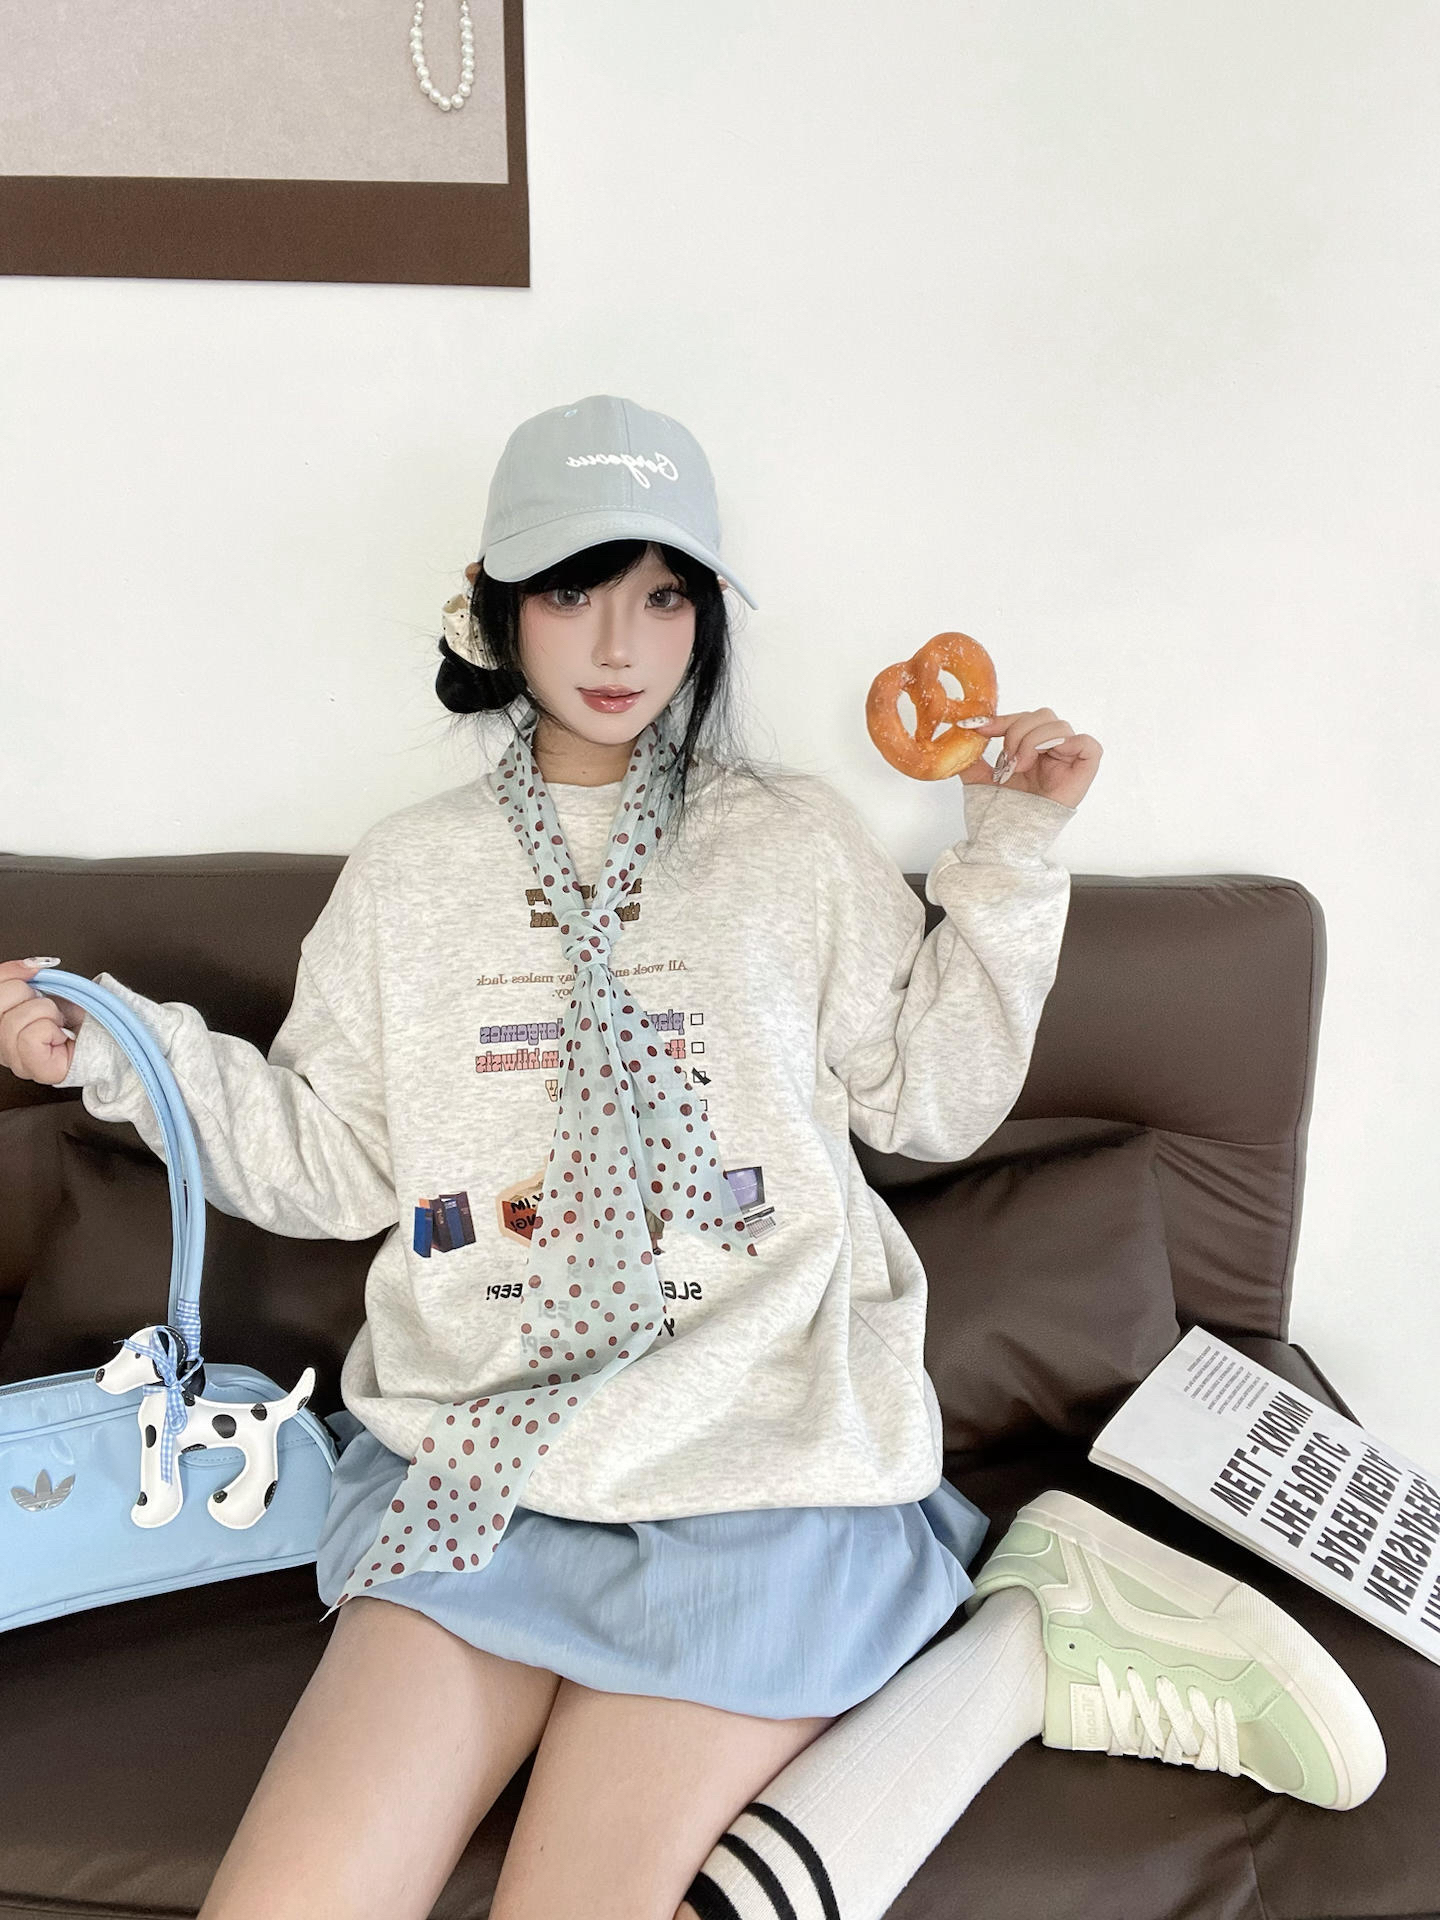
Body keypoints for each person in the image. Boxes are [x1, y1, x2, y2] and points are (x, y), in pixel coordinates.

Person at [0, 393, 1384, 1920]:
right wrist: (122, 1054)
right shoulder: (411, 876)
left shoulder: (790, 844)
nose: (620, 645)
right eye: (573, 590)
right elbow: (336, 1162)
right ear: (495, 607)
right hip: (481, 1459)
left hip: (755, 1460)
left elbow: (930, 1106)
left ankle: (1008, 1642)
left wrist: (1006, 854)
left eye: (663, 596)